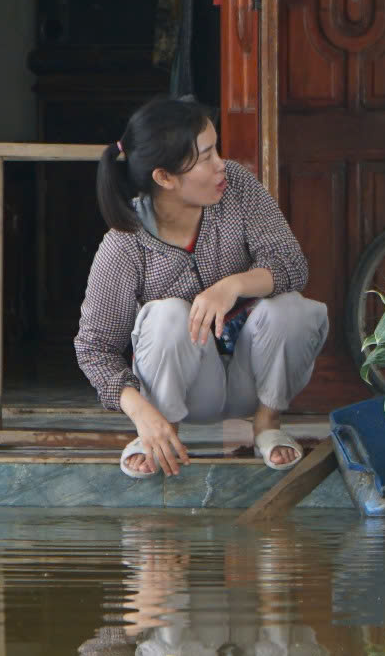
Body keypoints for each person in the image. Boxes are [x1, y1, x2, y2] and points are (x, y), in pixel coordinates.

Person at [76, 98, 330, 477]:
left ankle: (267, 426)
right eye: (206, 157)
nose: (221, 166)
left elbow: (291, 264)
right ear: (165, 178)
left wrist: (233, 285)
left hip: (253, 374)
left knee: (292, 308)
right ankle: (162, 437)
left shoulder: (239, 188)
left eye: (217, 150)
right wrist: (144, 415)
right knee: (166, 315)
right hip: (189, 390)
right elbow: (94, 348)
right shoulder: (125, 243)